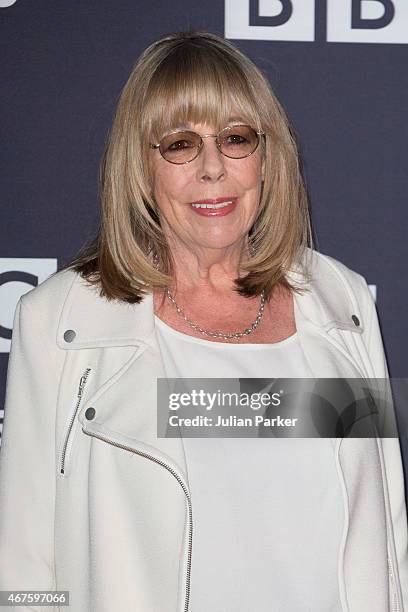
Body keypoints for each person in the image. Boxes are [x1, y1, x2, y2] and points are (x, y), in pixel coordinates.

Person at [0, 30, 407, 612]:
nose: (213, 168)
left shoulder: (337, 300)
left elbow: (386, 542)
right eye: (180, 144)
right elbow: (23, 566)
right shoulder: (63, 320)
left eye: (236, 139)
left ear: (267, 158)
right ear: (141, 167)